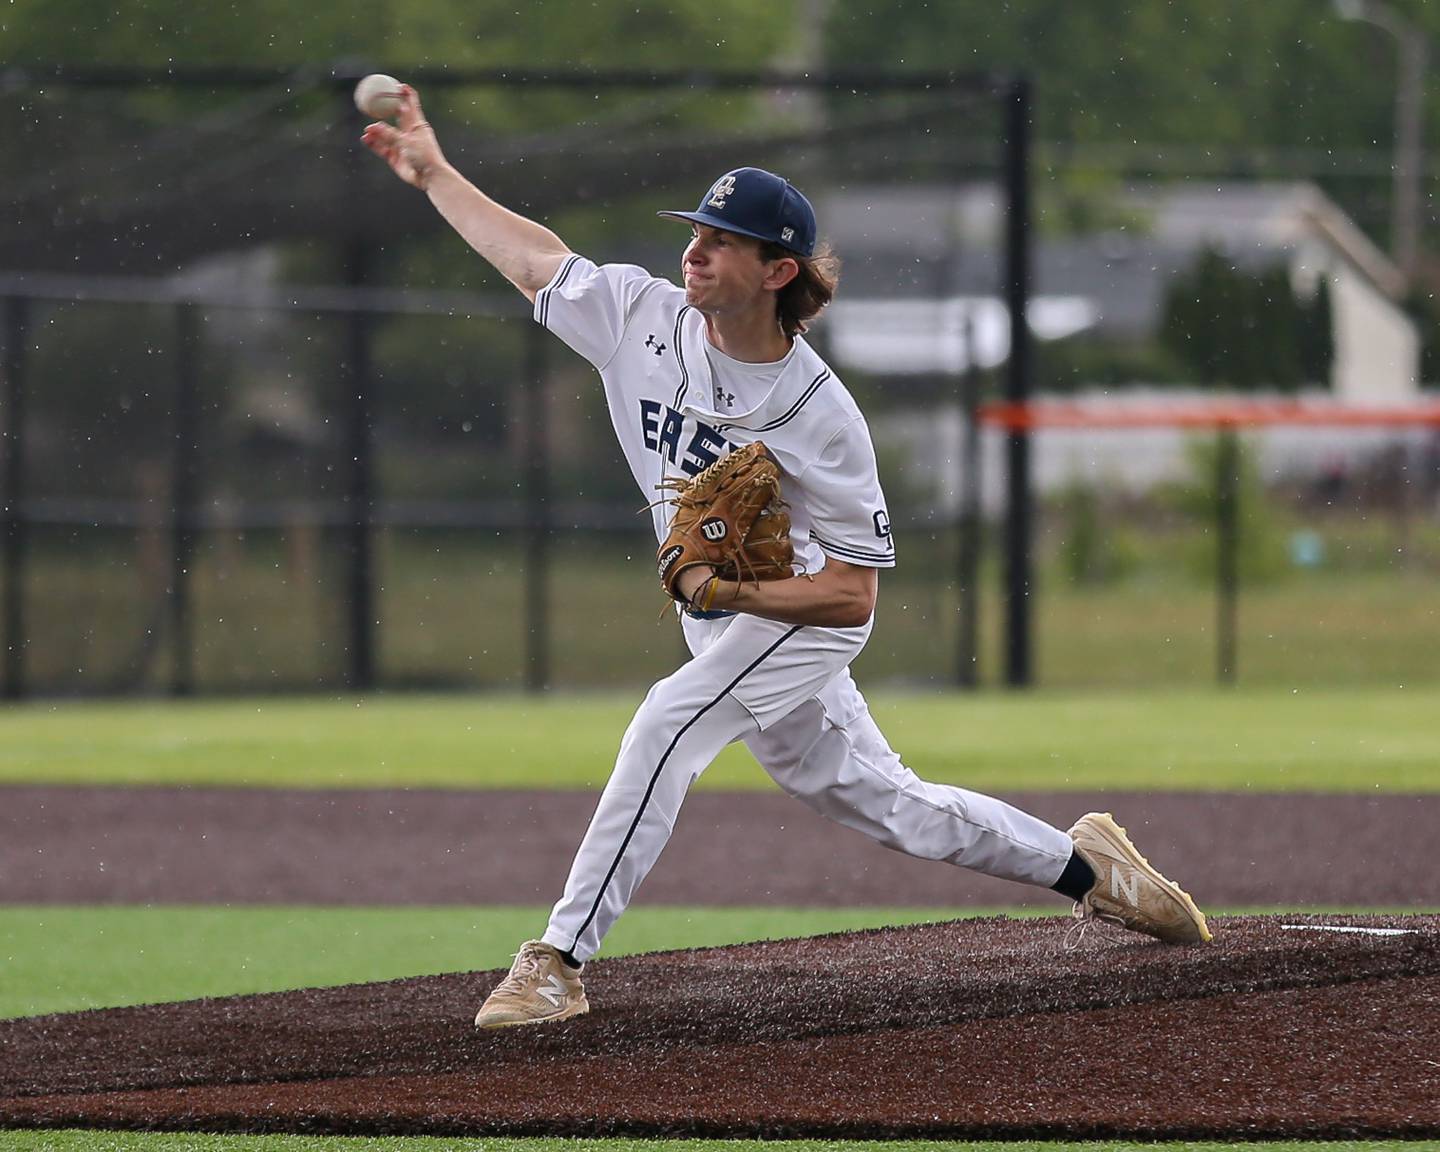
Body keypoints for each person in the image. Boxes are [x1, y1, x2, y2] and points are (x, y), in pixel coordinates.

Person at [361, 86, 1211, 1029]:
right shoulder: (641, 318)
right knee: (885, 803)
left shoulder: (820, 414)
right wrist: (434, 173)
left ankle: (558, 960)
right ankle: (1090, 866)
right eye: (696, 232)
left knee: (667, 724)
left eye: (721, 240)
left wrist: (727, 585)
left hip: (795, 616)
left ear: (778, 272)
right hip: (716, 613)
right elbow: (533, 261)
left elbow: (852, 596)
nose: (695, 250)